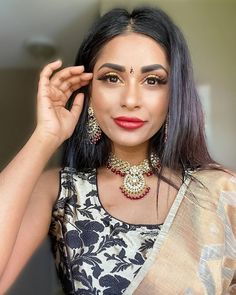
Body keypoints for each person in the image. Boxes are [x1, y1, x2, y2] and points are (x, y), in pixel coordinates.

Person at [0, 6, 235, 295]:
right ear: (88, 89)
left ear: (174, 94)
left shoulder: (219, 193)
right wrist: (45, 137)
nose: (130, 99)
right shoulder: (60, 190)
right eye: (112, 77)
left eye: (153, 80)